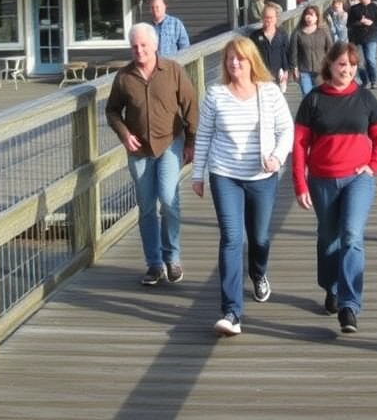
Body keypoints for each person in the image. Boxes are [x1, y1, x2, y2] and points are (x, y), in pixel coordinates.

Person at [192, 37, 294, 337]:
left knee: (259, 238)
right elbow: (204, 136)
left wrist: (277, 156)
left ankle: (259, 273)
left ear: (252, 62)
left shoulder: (270, 92)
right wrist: (198, 175)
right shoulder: (215, 94)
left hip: (262, 176)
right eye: (230, 59)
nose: (234, 64)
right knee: (231, 238)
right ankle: (231, 311)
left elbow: (286, 129)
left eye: (240, 59)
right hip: (225, 174)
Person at [292, 42, 377, 334]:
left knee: (351, 235)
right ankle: (331, 288)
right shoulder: (313, 100)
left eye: (350, 64)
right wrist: (300, 182)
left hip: (357, 178)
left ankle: (349, 306)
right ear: (330, 66)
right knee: (328, 238)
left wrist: (373, 166)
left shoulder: (365, 99)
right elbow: (299, 146)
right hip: (322, 179)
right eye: (340, 64)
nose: (346, 69)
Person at [105, 23, 199, 286]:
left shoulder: (173, 71)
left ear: (155, 45)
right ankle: (154, 264)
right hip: (139, 150)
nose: (139, 50)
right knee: (146, 206)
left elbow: (190, 105)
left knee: (168, 200)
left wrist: (191, 141)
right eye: (134, 46)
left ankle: (173, 258)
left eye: (144, 45)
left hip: (170, 144)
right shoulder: (124, 78)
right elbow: (112, 111)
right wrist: (123, 133)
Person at [289, 4, 333, 96]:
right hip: (304, 70)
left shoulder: (323, 30)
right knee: (307, 95)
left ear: (317, 17)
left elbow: (329, 48)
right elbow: (293, 52)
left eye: (311, 15)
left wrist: (330, 65)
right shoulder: (297, 33)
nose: (309, 18)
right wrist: (295, 67)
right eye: (307, 15)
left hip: (320, 70)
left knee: (320, 95)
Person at [347, 0, 377, 88]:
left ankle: (373, 80)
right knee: (358, 61)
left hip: (371, 36)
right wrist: (359, 22)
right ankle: (364, 80)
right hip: (357, 38)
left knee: (370, 59)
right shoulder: (354, 9)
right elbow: (349, 24)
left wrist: (370, 24)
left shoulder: (376, 8)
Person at [250, 2, 291, 89]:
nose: (268, 20)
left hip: (278, 74)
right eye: (266, 17)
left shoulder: (282, 34)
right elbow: (251, 55)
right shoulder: (255, 36)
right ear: (262, 18)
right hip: (261, 75)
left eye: (271, 17)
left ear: (276, 18)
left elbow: (286, 53)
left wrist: (286, 71)